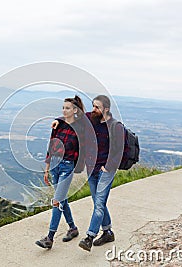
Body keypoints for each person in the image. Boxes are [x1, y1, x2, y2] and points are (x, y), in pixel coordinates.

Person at [52, 95, 124, 252]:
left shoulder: (115, 126)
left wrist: (108, 166)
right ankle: (107, 232)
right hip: (91, 169)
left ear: (106, 109)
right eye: (93, 106)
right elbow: (73, 115)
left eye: (97, 107)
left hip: (106, 171)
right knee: (98, 202)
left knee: (99, 204)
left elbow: (119, 151)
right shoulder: (90, 119)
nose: (93, 109)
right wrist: (59, 120)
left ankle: (89, 237)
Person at [35, 95, 86, 249]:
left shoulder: (80, 128)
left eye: (68, 108)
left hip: (67, 167)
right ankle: (72, 228)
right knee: (62, 200)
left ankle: (49, 238)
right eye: (63, 108)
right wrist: (46, 169)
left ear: (75, 110)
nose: (64, 110)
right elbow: (51, 147)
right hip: (55, 166)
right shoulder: (58, 126)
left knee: (57, 201)